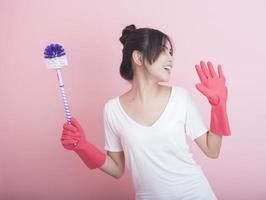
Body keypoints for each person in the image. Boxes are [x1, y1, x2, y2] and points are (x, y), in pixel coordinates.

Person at [60, 24, 231, 200]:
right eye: (163, 51)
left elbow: (212, 150)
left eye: (171, 53)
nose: (170, 59)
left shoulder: (180, 98)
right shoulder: (112, 110)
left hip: (196, 194)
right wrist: (82, 147)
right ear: (138, 57)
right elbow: (117, 169)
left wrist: (219, 107)